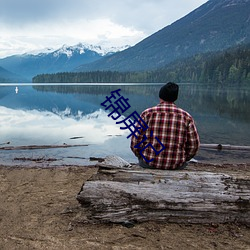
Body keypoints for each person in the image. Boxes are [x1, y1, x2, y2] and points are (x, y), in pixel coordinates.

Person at [130, 82, 200, 170]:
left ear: (160, 96)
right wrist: (184, 158)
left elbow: (135, 142)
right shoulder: (186, 116)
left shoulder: (147, 113)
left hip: (149, 163)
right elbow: (194, 146)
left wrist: (141, 156)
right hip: (177, 165)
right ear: (175, 98)